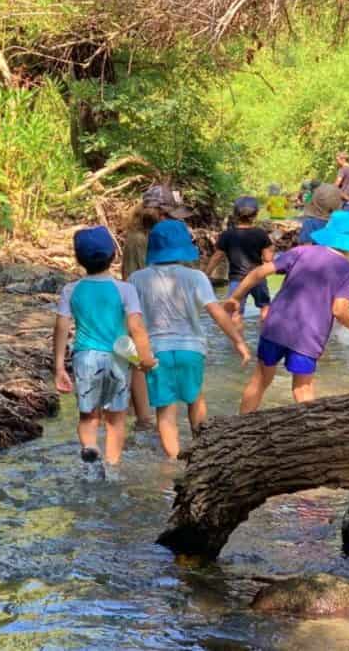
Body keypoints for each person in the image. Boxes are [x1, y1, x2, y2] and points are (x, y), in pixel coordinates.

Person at [227, 211, 349, 413]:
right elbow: (340, 310)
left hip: (276, 326)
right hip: (308, 336)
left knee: (260, 379)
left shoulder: (301, 252)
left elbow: (258, 272)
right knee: (303, 389)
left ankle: (239, 431)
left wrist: (235, 297)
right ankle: (309, 440)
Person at [129, 220, 251, 459]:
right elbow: (217, 312)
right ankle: (201, 450)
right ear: (184, 248)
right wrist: (238, 341)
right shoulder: (196, 277)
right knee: (195, 398)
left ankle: (174, 460)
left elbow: (131, 320)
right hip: (191, 349)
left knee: (165, 410)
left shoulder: (136, 279)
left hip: (156, 352)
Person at [54, 226, 156, 466]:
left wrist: (59, 367)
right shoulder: (125, 289)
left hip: (85, 358)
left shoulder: (71, 289)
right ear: (113, 255)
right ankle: (111, 465)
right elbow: (137, 327)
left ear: (79, 259)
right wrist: (146, 357)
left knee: (88, 416)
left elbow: (61, 327)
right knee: (115, 419)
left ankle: (90, 448)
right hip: (117, 358)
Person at [121, 183, 193, 429]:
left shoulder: (153, 236)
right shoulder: (138, 240)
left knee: (145, 362)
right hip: (142, 309)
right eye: (171, 214)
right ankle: (144, 420)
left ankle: (141, 415)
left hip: (154, 307)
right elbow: (132, 278)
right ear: (158, 213)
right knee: (139, 361)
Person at [205, 197, 275, 321]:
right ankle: (264, 337)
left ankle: (236, 340)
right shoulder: (260, 234)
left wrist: (206, 274)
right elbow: (268, 259)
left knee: (235, 312)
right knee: (265, 308)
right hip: (257, 277)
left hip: (237, 280)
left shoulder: (227, 234)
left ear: (235, 214)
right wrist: (271, 248)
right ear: (256, 214)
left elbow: (217, 257)